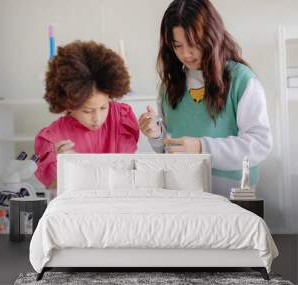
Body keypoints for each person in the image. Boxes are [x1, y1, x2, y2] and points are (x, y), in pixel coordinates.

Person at [138, 0, 272, 196]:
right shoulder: (169, 86)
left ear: (211, 37)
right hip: (184, 191)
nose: (186, 54)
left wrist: (202, 147)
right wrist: (156, 134)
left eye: (193, 44)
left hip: (234, 193)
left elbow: (259, 144)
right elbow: (169, 149)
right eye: (177, 46)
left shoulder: (242, 80)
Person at [34, 41, 139, 190]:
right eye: (87, 111)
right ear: (69, 104)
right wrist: (65, 167)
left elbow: (128, 174)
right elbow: (53, 191)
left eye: (103, 107)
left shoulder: (121, 119)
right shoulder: (53, 138)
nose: (97, 118)